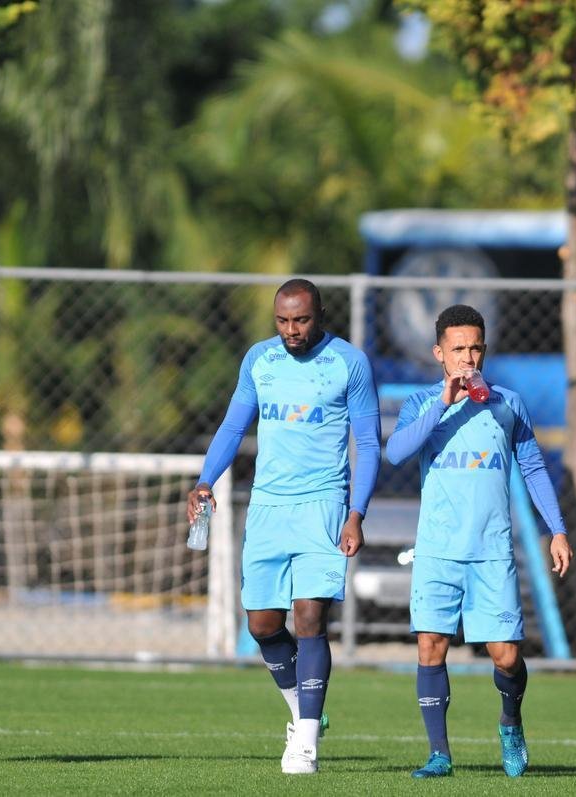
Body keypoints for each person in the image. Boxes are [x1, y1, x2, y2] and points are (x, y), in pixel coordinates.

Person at [186, 278, 381, 775]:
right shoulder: (259, 360)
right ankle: (301, 710)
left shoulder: (350, 363)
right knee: (262, 625)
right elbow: (234, 426)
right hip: (268, 508)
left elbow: (368, 443)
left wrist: (356, 513)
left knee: (310, 618)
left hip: (323, 506)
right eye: (283, 321)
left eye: (301, 320)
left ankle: (306, 742)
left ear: (321, 316)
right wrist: (205, 480)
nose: (292, 330)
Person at [385, 304, 572, 780]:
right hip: (437, 550)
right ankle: (439, 755)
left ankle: (510, 722)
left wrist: (557, 530)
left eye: (475, 348)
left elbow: (533, 467)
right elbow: (396, 453)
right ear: (439, 353)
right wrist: (444, 403)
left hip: (491, 550)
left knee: (506, 656)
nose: (468, 358)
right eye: (458, 350)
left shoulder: (508, 403)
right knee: (431, 647)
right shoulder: (422, 403)